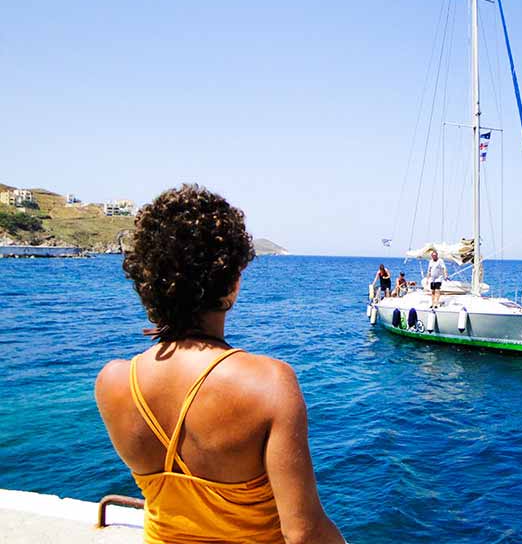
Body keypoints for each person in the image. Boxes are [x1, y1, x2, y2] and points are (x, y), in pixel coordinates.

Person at [94, 184, 345, 544]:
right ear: (232, 282)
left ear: (147, 282)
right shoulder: (269, 384)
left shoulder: (113, 382)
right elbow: (304, 534)